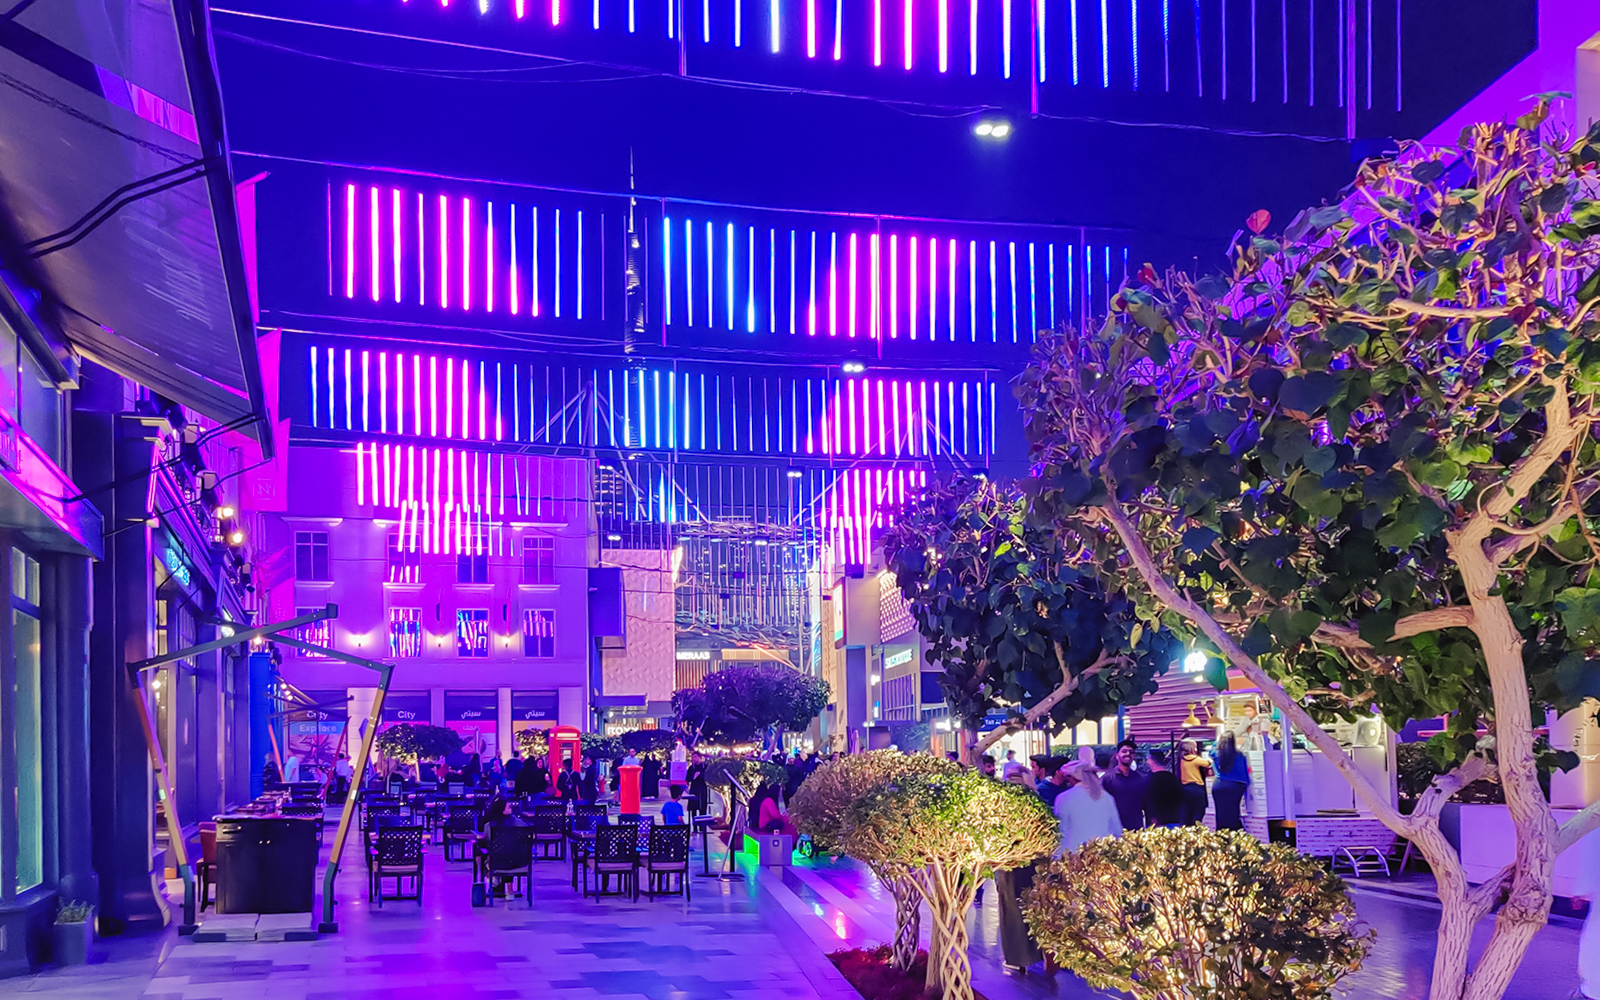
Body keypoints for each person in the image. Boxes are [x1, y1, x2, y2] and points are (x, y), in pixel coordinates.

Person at [1053, 760, 1123, 856]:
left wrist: (1056, 858)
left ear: (1072, 779)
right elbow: (1116, 830)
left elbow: (1061, 831)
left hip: (1073, 856)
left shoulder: (1064, 798)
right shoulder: (1107, 797)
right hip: (1101, 856)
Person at [1101, 739, 1150, 832]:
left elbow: (1147, 805)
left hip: (1136, 830)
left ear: (1134, 756)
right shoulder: (1107, 779)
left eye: (1131, 752)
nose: (1128, 754)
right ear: (1117, 756)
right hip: (1113, 830)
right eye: (1124, 751)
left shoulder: (1141, 779)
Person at [1211, 732, 1249, 830]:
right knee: (1233, 812)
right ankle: (1233, 836)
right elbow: (1244, 771)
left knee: (1220, 813)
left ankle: (1220, 836)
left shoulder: (1215, 753)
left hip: (1219, 785)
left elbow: (1212, 749)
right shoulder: (1239, 755)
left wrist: (1220, 740)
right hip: (1235, 786)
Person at [1143, 748, 1185, 827]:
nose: (1146, 762)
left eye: (1147, 759)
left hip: (1157, 821)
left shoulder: (1149, 779)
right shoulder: (1173, 778)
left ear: (1152, 760)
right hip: (1175, 819)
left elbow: (1149, 800)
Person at [1179, 739, 1213, 825]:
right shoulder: (1195, 759)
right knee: (1198, 813)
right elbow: (1208, 763)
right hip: (1197, 788)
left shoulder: (1182, 760)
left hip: (1185, 788)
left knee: (1188, 813)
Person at [687, 752, 708, 818]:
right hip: (694, 788)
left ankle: (702, 826)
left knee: (702, 807)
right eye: (693, 757)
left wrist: (701, 775)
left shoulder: (705, 766)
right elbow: (687, 779)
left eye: (695, 757)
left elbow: (708, 777)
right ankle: (695, 826)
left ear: (700, 757)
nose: (694, 759)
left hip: (702, 788)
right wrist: (693, 777)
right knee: (693, 808)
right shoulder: (691, 768)